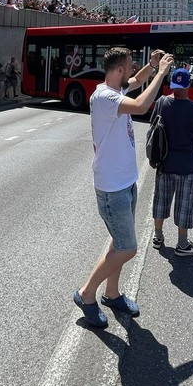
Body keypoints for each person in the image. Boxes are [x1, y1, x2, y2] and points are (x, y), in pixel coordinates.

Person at [73, 47, 174, 329]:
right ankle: (86, 294)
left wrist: (152, 67)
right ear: (118, 69)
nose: (132, 71)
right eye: (130, 67)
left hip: (124, 182)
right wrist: (163, 72)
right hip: (112, 187)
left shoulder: (113, 89)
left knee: (119, 242)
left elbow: (135, 83)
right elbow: (142, 104)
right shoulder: (106, 97)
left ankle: (112, 293)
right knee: (127, 248)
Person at [150, 68, 193, 258]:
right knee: (185, 204)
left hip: (164, 163)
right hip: (187, 166)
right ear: (188, 85)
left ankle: (158, 236)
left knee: (161, 200)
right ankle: (183, 244)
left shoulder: (161, 102)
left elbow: (152, 129)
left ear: (172, 85)